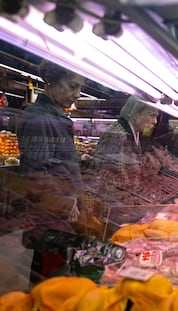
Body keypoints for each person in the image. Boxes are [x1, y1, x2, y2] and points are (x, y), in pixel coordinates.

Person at [13, 60, 102, 284]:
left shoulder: (55, 116)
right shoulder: (39, 118)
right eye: (73, 86)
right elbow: (37, 175)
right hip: (50, 216)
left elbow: (58, 165)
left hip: (61, 213)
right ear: (51, 81)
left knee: (59, 273)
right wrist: (69, 207)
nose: (78, 94)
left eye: (80, 88)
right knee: (49, 278)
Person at [94, 95, 158, 165]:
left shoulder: (136, 132)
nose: (155, 121)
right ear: (134, 112)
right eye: (151, 115)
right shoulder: (116, 134)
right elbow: (103, 168)